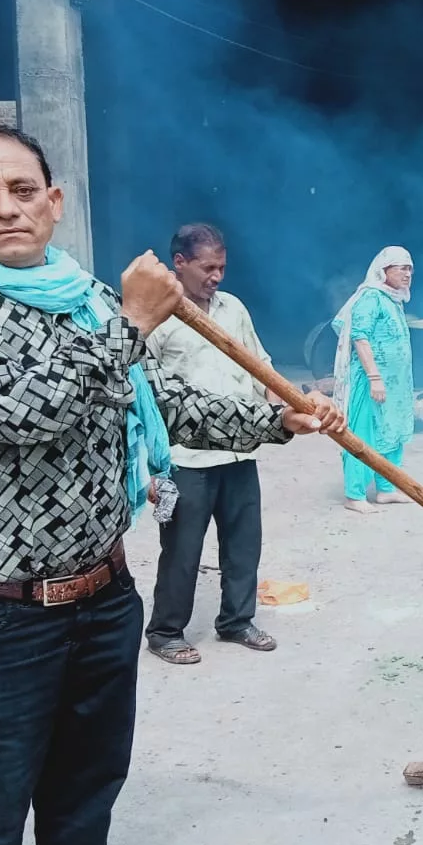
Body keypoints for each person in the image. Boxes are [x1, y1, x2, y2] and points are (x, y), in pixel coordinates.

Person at [0, 124, 342, 845]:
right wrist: (132, 320)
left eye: (24, 189)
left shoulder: (85, 299)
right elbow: (25, 410)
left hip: (99, 595)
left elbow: (155, 398)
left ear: (55, 202)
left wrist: (276, 417)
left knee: (85, 784)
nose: (8, 207)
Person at [143, 223, 279, 665]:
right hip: (186, 458)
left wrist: (281, 406)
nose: (216, 275)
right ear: (179, 263)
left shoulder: (233, 307)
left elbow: (259, 362)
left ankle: (236, 621)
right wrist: (149, 467)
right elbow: (142, 393)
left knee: (244, 543)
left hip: (239, 449)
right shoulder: (158, 314)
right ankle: (165, 631)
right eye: (207, 267)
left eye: (221, 266)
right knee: (183, 550)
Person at [336, 247, 416, 513]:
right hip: (371, 381)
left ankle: (386, 489)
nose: (408, 273)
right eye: (401, 268)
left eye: (410, 268)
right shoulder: (371, 297)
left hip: (395, 383)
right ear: (384, 271)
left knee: (392, 432)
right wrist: (374, 378)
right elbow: (360, 337)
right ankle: (354, 494)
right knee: (363, 432)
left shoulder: (393, 299)